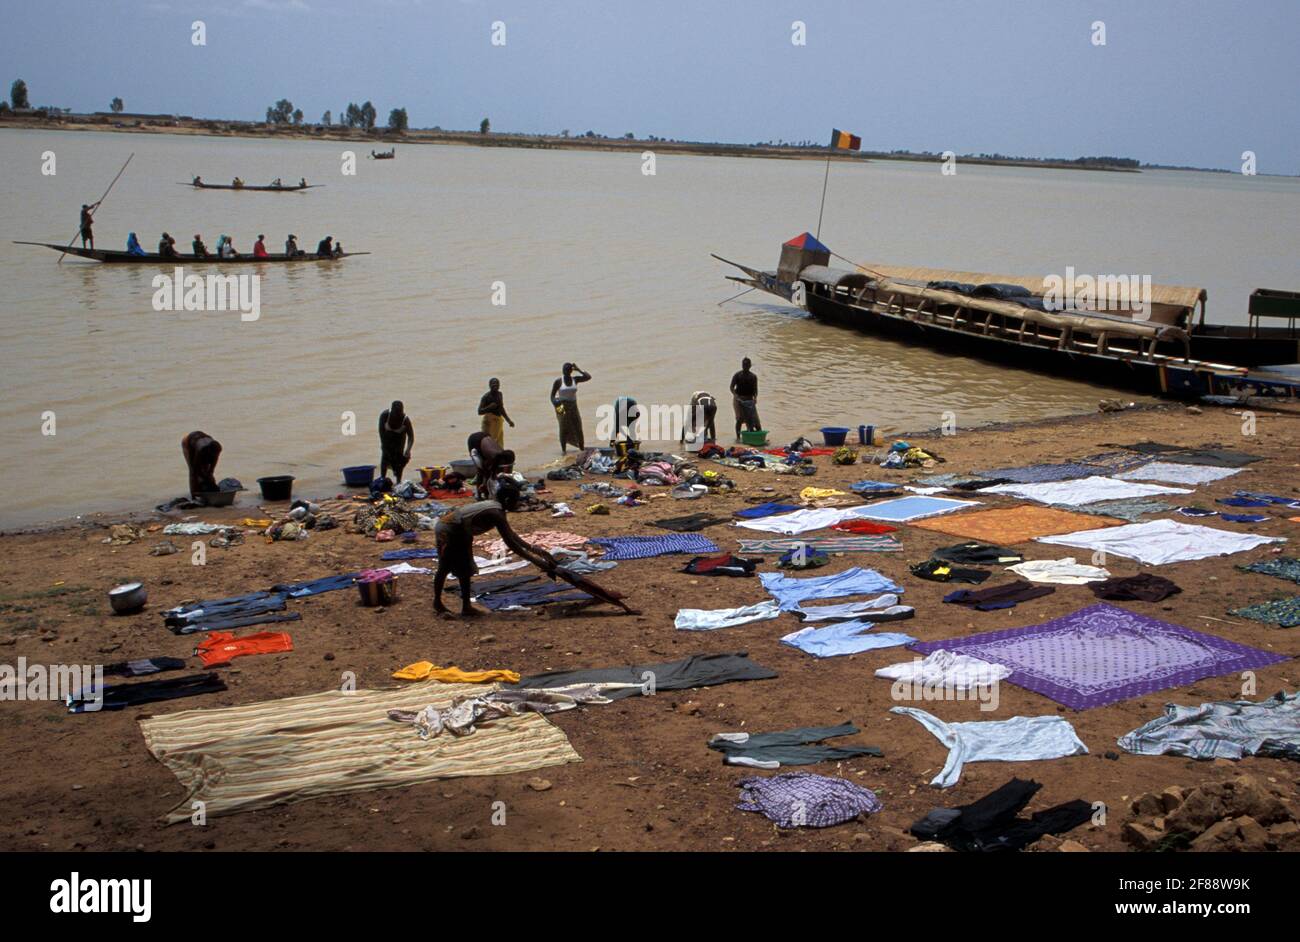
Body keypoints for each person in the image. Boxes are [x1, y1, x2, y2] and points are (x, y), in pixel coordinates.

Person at [433, 500, 556, 618]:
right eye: (515, 500)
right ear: (508, 500)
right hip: (448, 530)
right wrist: (538, 562)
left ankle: (466, 607)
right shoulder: (495, 513)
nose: (519, 503)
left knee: (465, 568)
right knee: (445, 566)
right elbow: (511, 544)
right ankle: (437, 603)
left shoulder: (498, 509)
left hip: (462, 530)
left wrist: (536, 550)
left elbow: (511, 535)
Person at [550, 362, 591, 453]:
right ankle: (563, 451)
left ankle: (581, 449)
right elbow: (552, 396)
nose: (565, 372)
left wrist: (579, 369)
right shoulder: (559, 381)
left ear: (571, 371)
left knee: (578, 426)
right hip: (560, 406)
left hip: (573, 405)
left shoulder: (575, 380)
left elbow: (588, 377)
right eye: (564, 370)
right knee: (563, 427)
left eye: (567, 370)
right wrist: (555, 402)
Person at [467, 431, 516, 501]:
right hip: (474, 441)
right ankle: (479, 495)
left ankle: (487, 492)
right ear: (503, 459)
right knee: (481, 471)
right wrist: (484, 484)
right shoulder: (493, 456)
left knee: (490, 473)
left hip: (486, 437)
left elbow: (497, 470)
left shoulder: (502, 454)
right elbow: (487, 471)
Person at [378, 401, 414, 482]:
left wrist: (408, 450)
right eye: (396, 413)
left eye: (399, 413)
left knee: (399, 464)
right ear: (392, 410)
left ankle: (398, 482)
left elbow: (411, 437)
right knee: (385, 460)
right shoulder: (384, 416)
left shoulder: (405, 420)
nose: (397, 415)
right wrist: (384, 446)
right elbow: (381, 432)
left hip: (399, 444)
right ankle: (382, 479)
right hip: (386, 442)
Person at [181, 430, 222, 499]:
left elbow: (212, 468)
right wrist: (204, 476)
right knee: (193, 472)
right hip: (188, 441)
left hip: (199, 438)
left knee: (208, 472)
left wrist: (210, 474)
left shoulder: (217, 449)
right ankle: (194, 496)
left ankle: (207, 492)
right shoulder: (201, 450)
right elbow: (195, 468)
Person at [729, 357, 762, 439]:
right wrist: (735, 395)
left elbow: (755, 390)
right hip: (738, 399)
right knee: (739, 419)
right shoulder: (737, 375)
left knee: (756, 421)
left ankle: (758, 437)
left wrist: (755, 398)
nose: (745, 366)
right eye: (744, 365)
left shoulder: (753, 377)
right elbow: (731, 387)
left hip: (750, 400)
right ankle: (738, 438)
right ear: (742, 365)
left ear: (750, 366)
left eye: (747, 365)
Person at [477, 378, 514, 446]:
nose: (495, 385)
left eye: (497, 384)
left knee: (498, 441)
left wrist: (508, 420)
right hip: (488, 422)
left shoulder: (499, 394)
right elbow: (479, 412)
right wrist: (489, 407)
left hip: (498, 421)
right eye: (493, 384)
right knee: (487, 441)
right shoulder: (486, 397)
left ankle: (499, 455)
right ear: (489, 385)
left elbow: (501, 408)